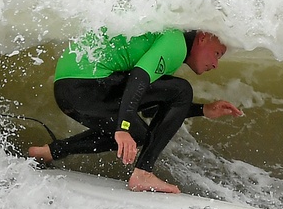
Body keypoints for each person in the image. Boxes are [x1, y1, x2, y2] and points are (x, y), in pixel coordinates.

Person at [27, 28, 243, 193]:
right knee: (182, 90)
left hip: (69, 90)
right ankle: (143, 174)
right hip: (87, 84)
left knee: (139, 133)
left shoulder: (163, 42)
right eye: (216, 53)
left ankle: (48, 152)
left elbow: (149, 108)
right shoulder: (176, 42)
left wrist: (203, 110)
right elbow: (138, 77)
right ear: (202, 37)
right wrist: (122, 127)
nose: (215, 64)